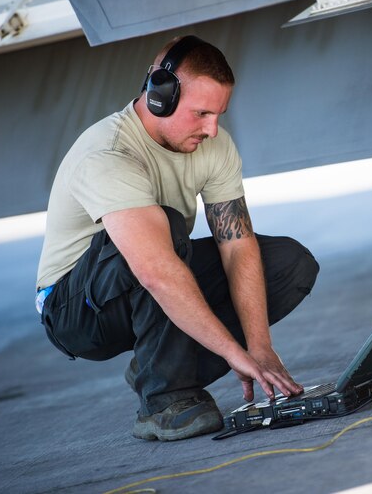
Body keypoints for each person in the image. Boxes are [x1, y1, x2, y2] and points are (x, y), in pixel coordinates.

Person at [35, 35, 319, 441]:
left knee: (289, 264)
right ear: (159, 97)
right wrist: (231, 352)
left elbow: (236, 244)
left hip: (148, 273)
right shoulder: (109, 154)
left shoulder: (214, 145)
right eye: (201, 113)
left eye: (219, 113)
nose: (212, 128)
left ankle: (159, 364)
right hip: (74, 309)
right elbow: (155, 271)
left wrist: (259, 345)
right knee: (163, 231)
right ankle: (165, 399)